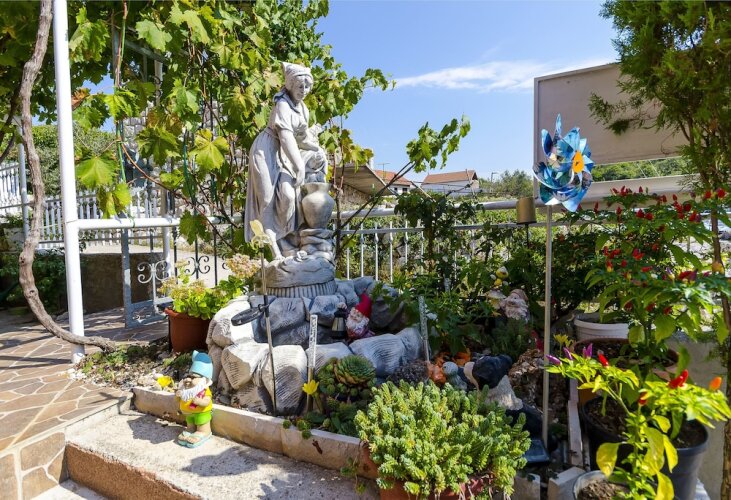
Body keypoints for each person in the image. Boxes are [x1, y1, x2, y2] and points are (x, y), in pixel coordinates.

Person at [244, 62, 325, 259]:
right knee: (267, 199)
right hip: (266, 151)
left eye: (307, 86)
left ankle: (287, 239)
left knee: (288, 196)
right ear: (290, 85)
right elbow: (286, 137)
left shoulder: (303, 109)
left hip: (284, 153)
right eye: (300, 86)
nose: (304, 90)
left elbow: (300, 139)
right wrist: (299, 166)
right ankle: (276, 250)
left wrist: (317, 149)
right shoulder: (282, 104)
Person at [175, 350, 214, 448]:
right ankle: (190, 430)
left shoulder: (204, 390)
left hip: (201, 413)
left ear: (203, 380)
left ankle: (203, 432)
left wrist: (200, 401)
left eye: (193, 378)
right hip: (189, 414)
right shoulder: (186, 389)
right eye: (189, 376)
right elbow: (178, 400)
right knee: (190, 423)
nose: (188, 379)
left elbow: (207, 401)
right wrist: (178, 396)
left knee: (202, 422)